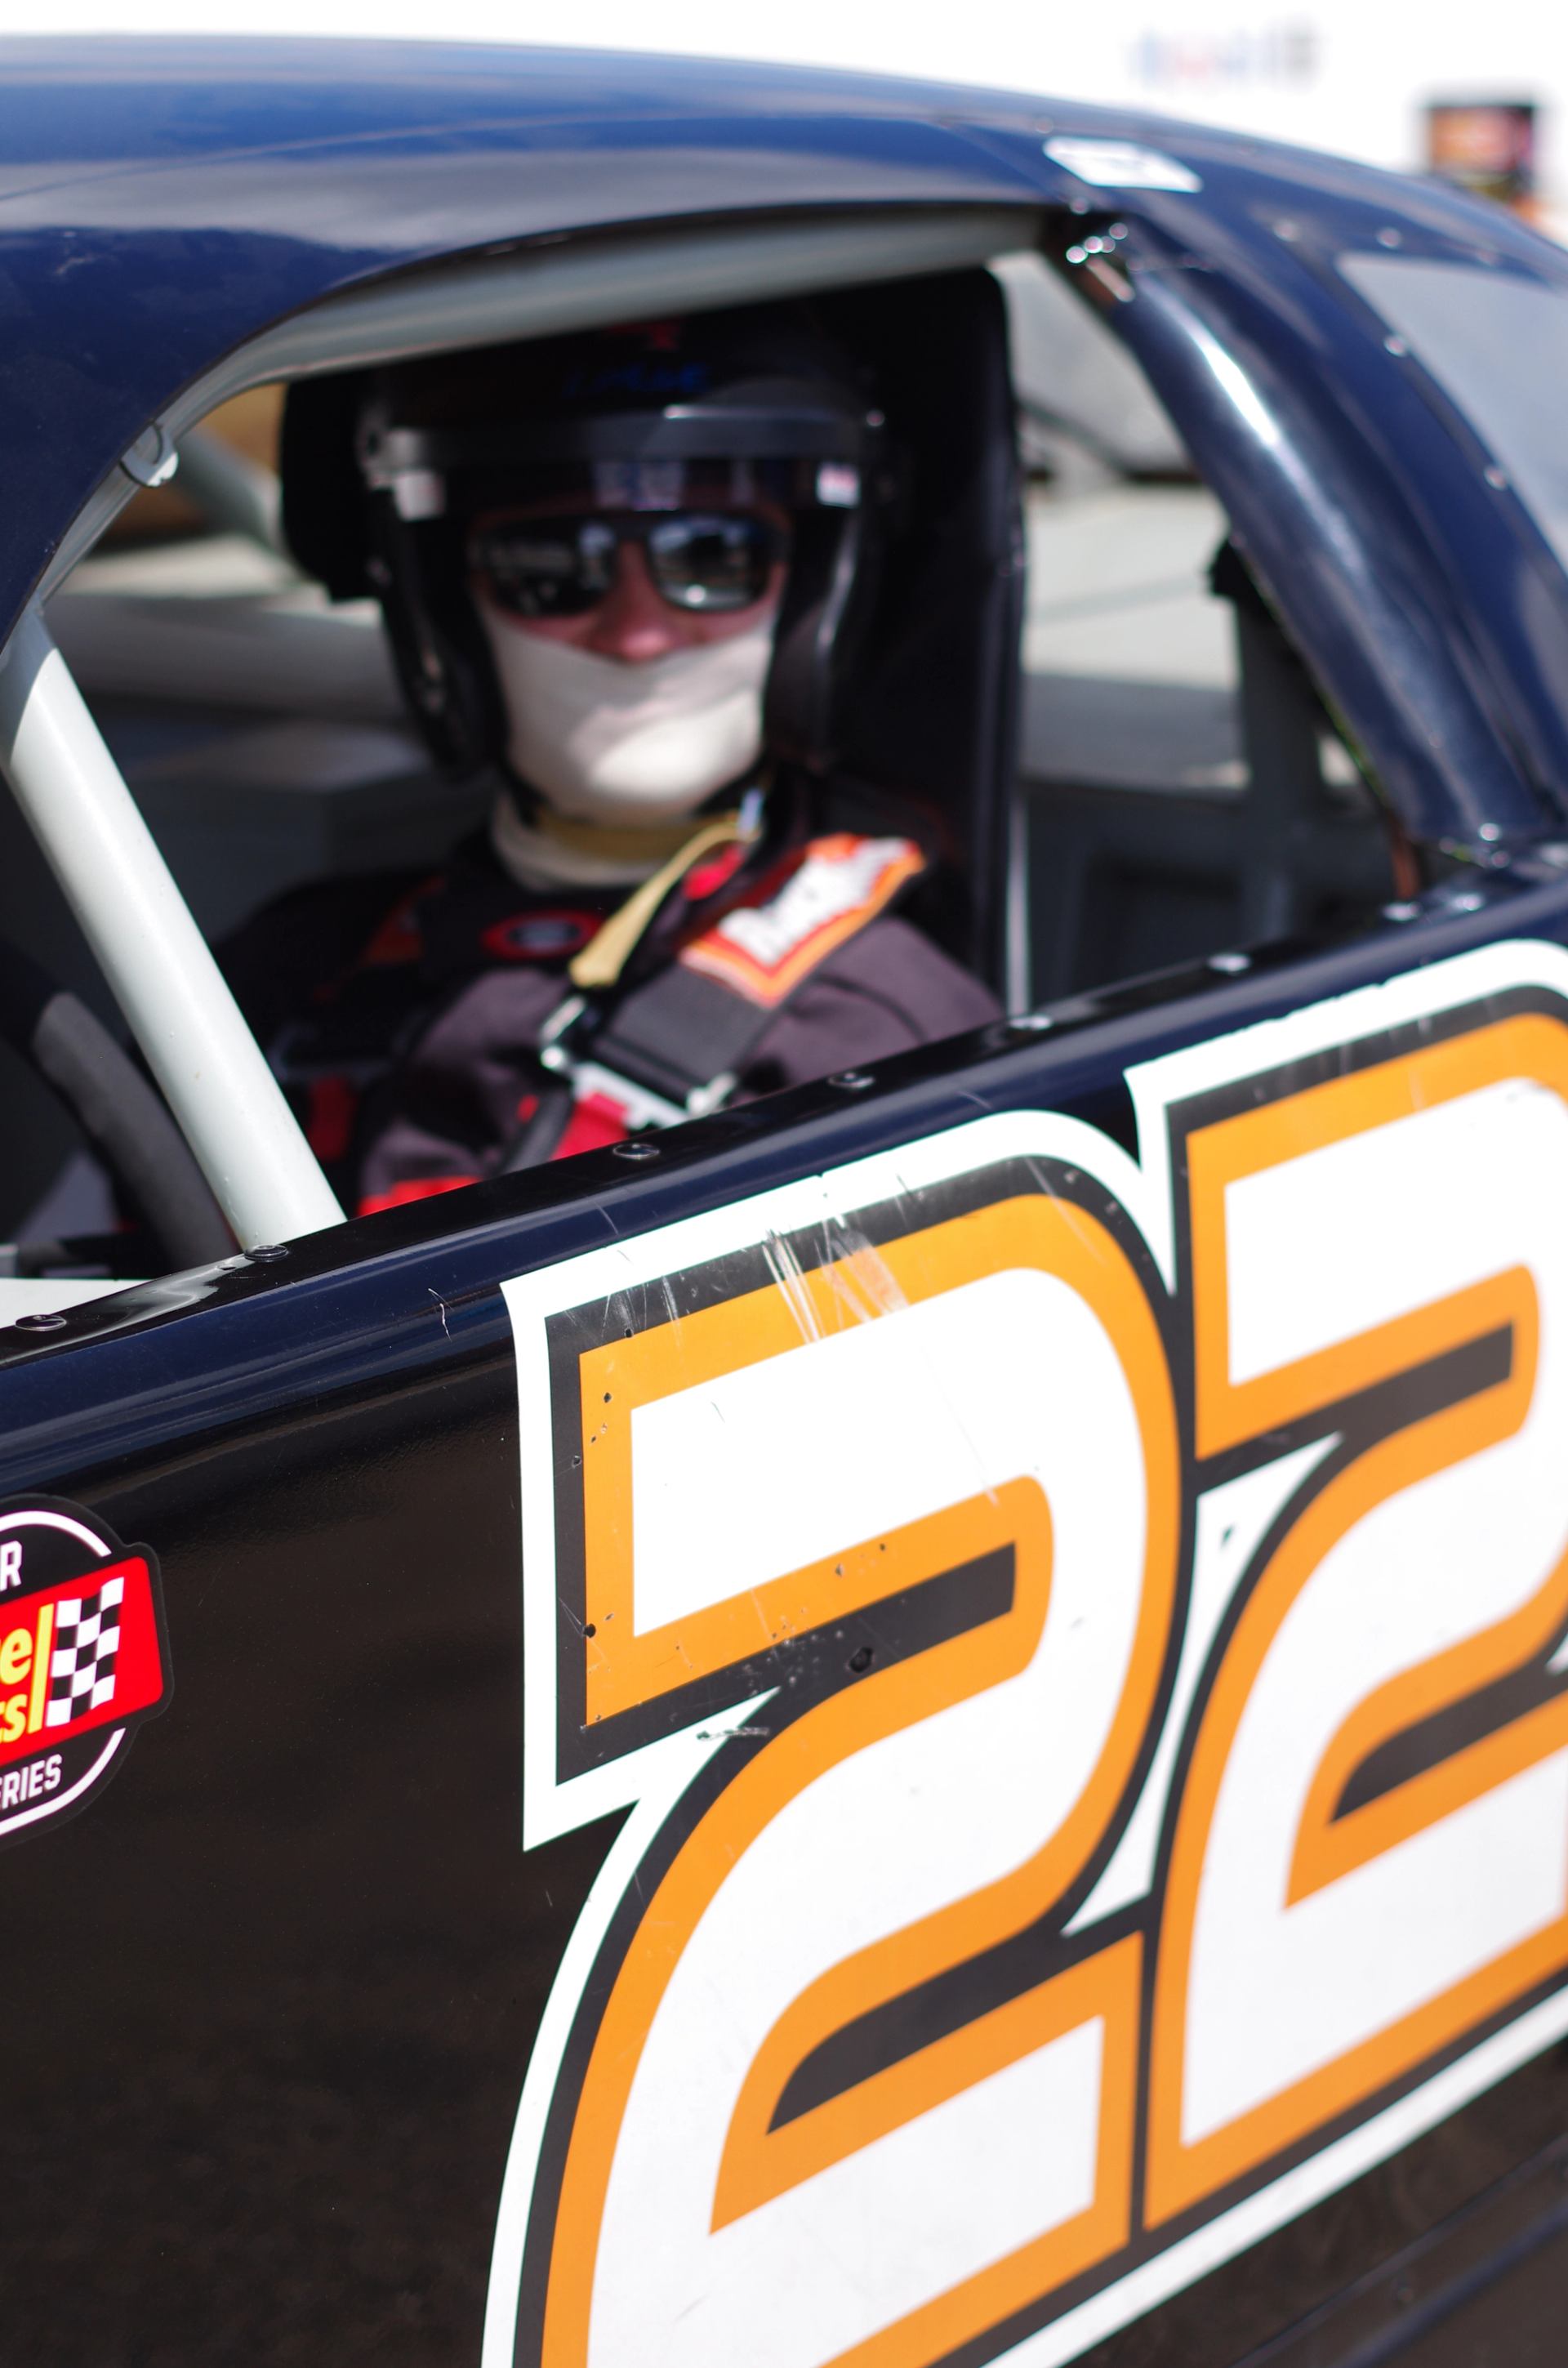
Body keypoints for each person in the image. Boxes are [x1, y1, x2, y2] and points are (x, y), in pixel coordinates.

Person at [228, 305, 1000, 1215]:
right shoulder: (289, 975)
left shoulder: (887, 1038)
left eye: (716, 557)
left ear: (815, 598)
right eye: (552, 563)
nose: (637, 633)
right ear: (443, 604)